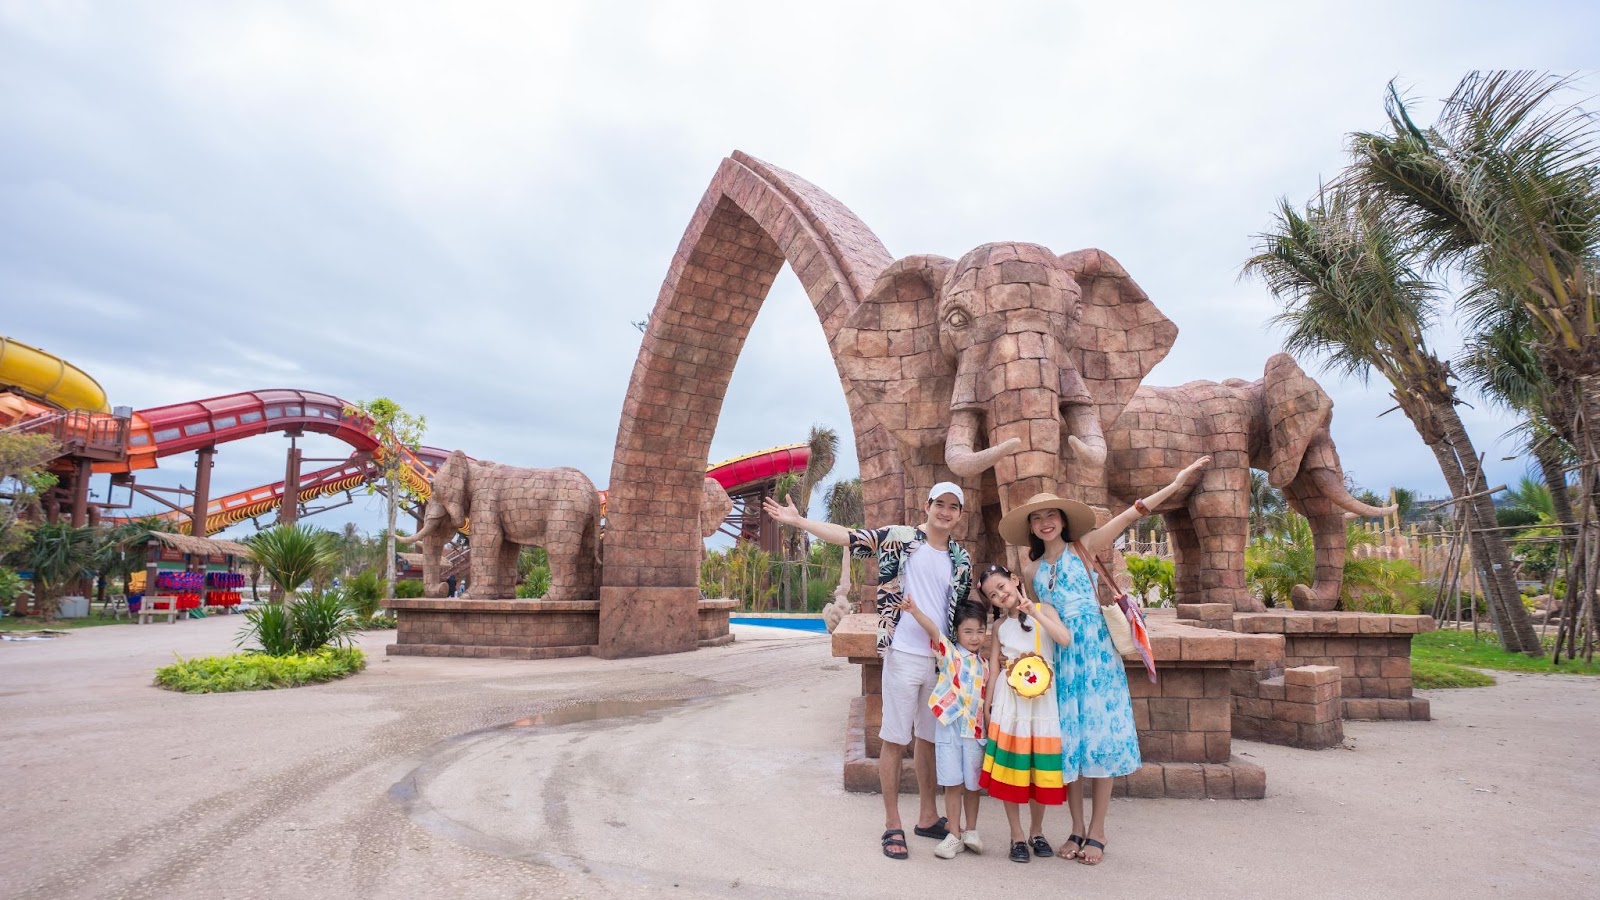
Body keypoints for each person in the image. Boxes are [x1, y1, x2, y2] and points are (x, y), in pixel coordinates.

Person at [998, 455, 1212, 865]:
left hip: (1097, 654)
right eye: (1037, 518)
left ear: (1062, 519)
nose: (1044, 522)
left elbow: (1133, 513)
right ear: (1030, 527)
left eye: (1050, 515)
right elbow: (1035, 614)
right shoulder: (1032, 570)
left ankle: (1097, 830)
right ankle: (1075, 828)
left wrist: (1176, 482)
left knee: (1100, 739)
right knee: (1071, 744)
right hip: (1061, 659)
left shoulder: (1085, 546)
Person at [763, 482, 972, 860]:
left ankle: (927, 816)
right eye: (939, 504)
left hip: (939, 661)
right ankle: (893, 823)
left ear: (959, 514)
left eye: (952, 507)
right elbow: (849, 536)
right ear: (927, 506)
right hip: (903, 652)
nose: (945, 512)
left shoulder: (961, 559)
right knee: (894, 738)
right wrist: (799, 522)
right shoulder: (900, 537)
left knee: (927, 739)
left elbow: (958, 613)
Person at [974, 564, 1075, 863]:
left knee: (1036, 767)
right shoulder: (1000, 627)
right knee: (1011, 767)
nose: (1000, 595)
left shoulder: (1045, 611)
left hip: (1042, 704)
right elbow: (994, 667)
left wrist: (1035, 613)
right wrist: (988, 706)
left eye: (1003, 587)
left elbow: (1064, 639)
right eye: (993, 595)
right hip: (1011, 705)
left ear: (1015, 581)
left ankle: (1037, 831)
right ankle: (1016, 834)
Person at [894, 595, 989, 859]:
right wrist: (914, 610)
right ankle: (954, 834)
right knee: (952, 784)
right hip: (949, 730)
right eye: (968, 631)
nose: (974, 637)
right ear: (957, 631)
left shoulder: (986, 665)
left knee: (972, 785)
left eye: (980, 631)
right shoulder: (950, 653)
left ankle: (971, 831)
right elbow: (934, 629)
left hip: (975, 733)